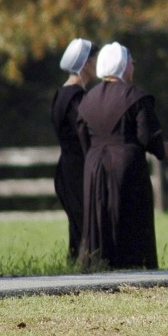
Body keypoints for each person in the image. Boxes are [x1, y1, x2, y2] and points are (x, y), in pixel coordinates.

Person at [76, 42, 168, 270]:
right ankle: (133, 266)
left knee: (99, 216)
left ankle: (99, 264)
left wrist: (93, 159)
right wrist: (163, 149)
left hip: (94, 166)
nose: (133, 66)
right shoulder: (135, 96)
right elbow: (147, 135)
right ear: (122, 65)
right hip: (126, 167)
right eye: (131, 62)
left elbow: (83, 136)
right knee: (130, 216)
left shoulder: (87, 99)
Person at [50, 38, 96, 261]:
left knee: (77, 225)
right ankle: (85, 267)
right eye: (94, 59)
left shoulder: (60, 94)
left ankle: (76, 265)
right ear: (85, 63)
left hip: (66, 167)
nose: (97, 64)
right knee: (85, 223)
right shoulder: (76, 97)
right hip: (79, 169)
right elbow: (85, 133)